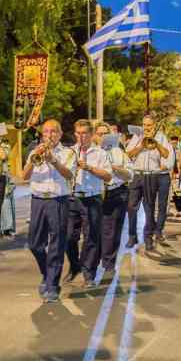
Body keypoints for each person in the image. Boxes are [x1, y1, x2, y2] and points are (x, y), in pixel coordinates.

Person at [23, 119, 77, 301]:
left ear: (60, 134)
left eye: (53, 131)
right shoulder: (34, 151)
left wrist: (53, 160)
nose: (49, 135)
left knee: (56, 244)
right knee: (34, 244)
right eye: (46, 132)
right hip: (38, 200)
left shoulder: (68, 152)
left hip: (58, 200)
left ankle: (53, 285)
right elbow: (24, 176)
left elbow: (69, 174)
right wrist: (34, 158)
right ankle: (47, 273)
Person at [65, 119, 112, 285]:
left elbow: (108, 176)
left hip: (92, 198)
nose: (81, 137)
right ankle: (75, 265)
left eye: (84, 133)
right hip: (72, 197)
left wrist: (89, 168)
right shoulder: (70, 151)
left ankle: (88, 272)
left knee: (91, 237)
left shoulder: (100, 153)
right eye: (78, 133)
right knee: (68, 237)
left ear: (91, 134)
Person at [126, 114, 172, 251]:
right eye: (144, 125)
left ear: (154, 125)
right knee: (131, 207)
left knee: (149, 208)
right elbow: (128, 154)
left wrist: (156, 143)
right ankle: (132, 236)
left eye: (149, 125)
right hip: (137, 175)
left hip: (151, 176)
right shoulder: (137, 136)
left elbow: (166, 155)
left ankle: (148, 238)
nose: (146, 128)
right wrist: (141, 145)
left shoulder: (161, 137)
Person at [95, 122, 132, 283]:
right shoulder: (90, 152)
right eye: (99, 133)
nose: (102, 136)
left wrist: (117, 169)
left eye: (105, 133)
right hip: (96, 194)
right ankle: (93, 260)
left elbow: (130, 175)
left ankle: (109, 263)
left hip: (116, 192)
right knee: (96, 230)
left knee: (113, 230)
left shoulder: (119, 152)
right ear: (94, 135)